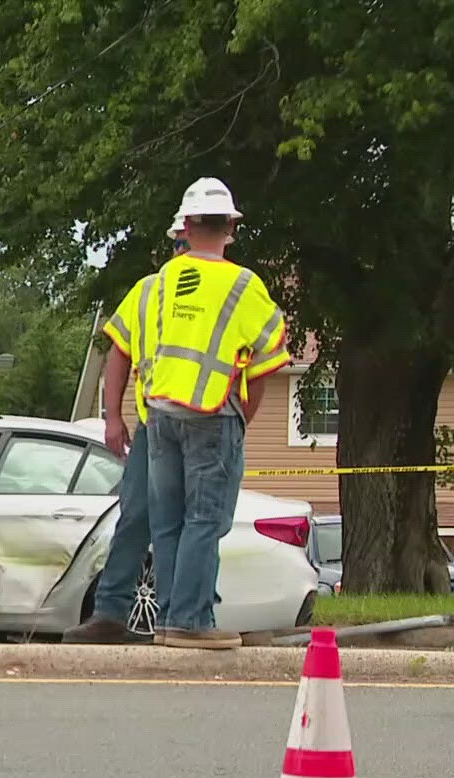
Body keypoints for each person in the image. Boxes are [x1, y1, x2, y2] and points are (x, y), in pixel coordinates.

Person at [141, 177, 291, 649]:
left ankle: (170, 619)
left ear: (183, 227)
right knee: (205, 521)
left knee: (168, 523)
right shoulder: (243, 285)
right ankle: (191, 622)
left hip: (161, 412)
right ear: (230, 227)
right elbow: (269, 355)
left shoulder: (162, 280)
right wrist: (244, 413)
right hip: (213, 414)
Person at [64, 214, 190, 644]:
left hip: (203, 428)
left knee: (191, 523)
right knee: (137, 517)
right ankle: (112, 613)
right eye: (179, 245)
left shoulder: (228, 289)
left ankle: (180, 618)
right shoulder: (151, 291)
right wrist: (113, 417)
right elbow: (120, 351)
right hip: (157, 426)